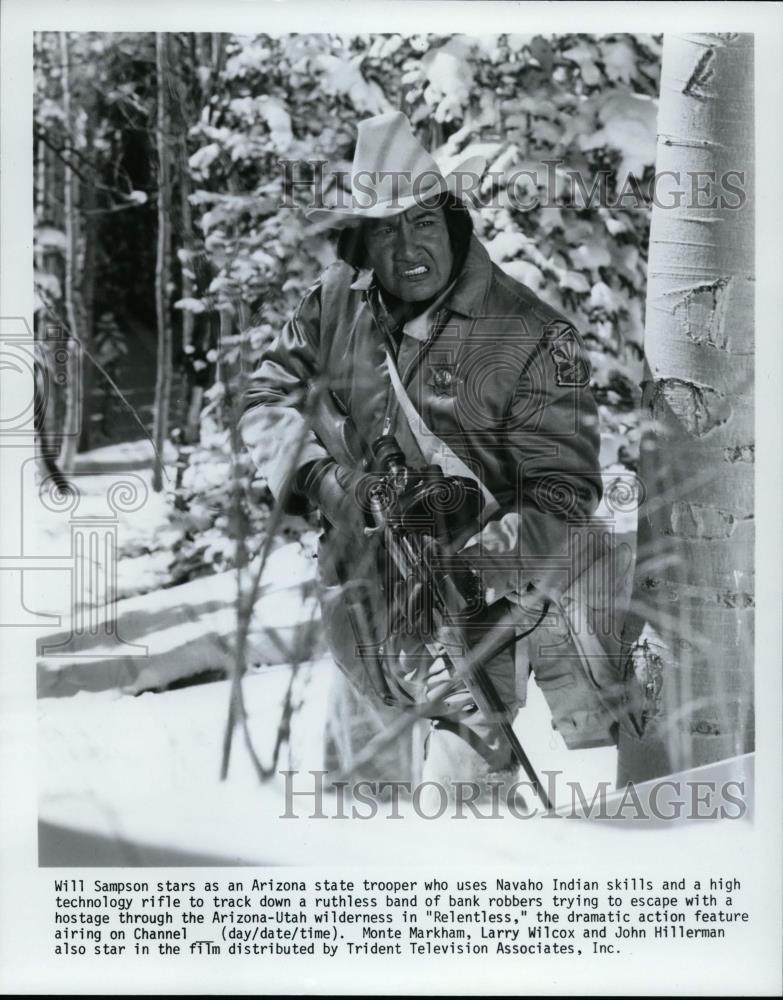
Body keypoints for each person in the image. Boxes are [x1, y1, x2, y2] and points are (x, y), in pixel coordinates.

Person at [240, 112, 614, 802]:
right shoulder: (332, 301)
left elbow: (563, 491)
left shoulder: (527, 332)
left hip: (474, 623)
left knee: (467, 828)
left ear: (450, 220)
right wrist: (325, 482)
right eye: (385, 229)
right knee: (358, 822)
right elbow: (267, 396)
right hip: (359, 608)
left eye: (420, 222)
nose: (407, 246)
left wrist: (469, 564)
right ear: (361, 239)